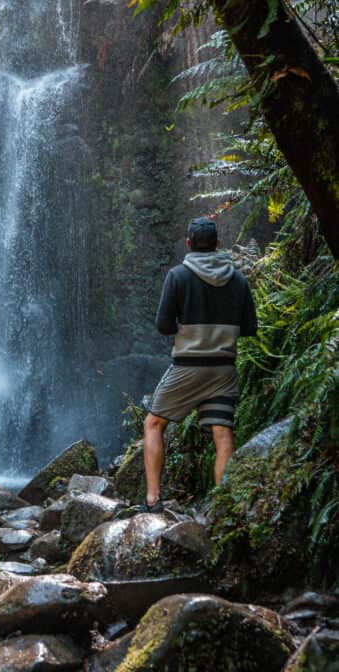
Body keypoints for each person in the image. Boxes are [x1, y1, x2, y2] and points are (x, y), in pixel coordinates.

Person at [141, 216, 257, 513]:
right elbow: (250, 328)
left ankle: (153, 499)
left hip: (188, 367)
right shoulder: (239, 280)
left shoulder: (178, 276)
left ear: (189, 244)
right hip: (223, 369)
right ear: (218, 244)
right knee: (222, 433)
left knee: (154, 424)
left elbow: (163, 325)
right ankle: (223, 507)